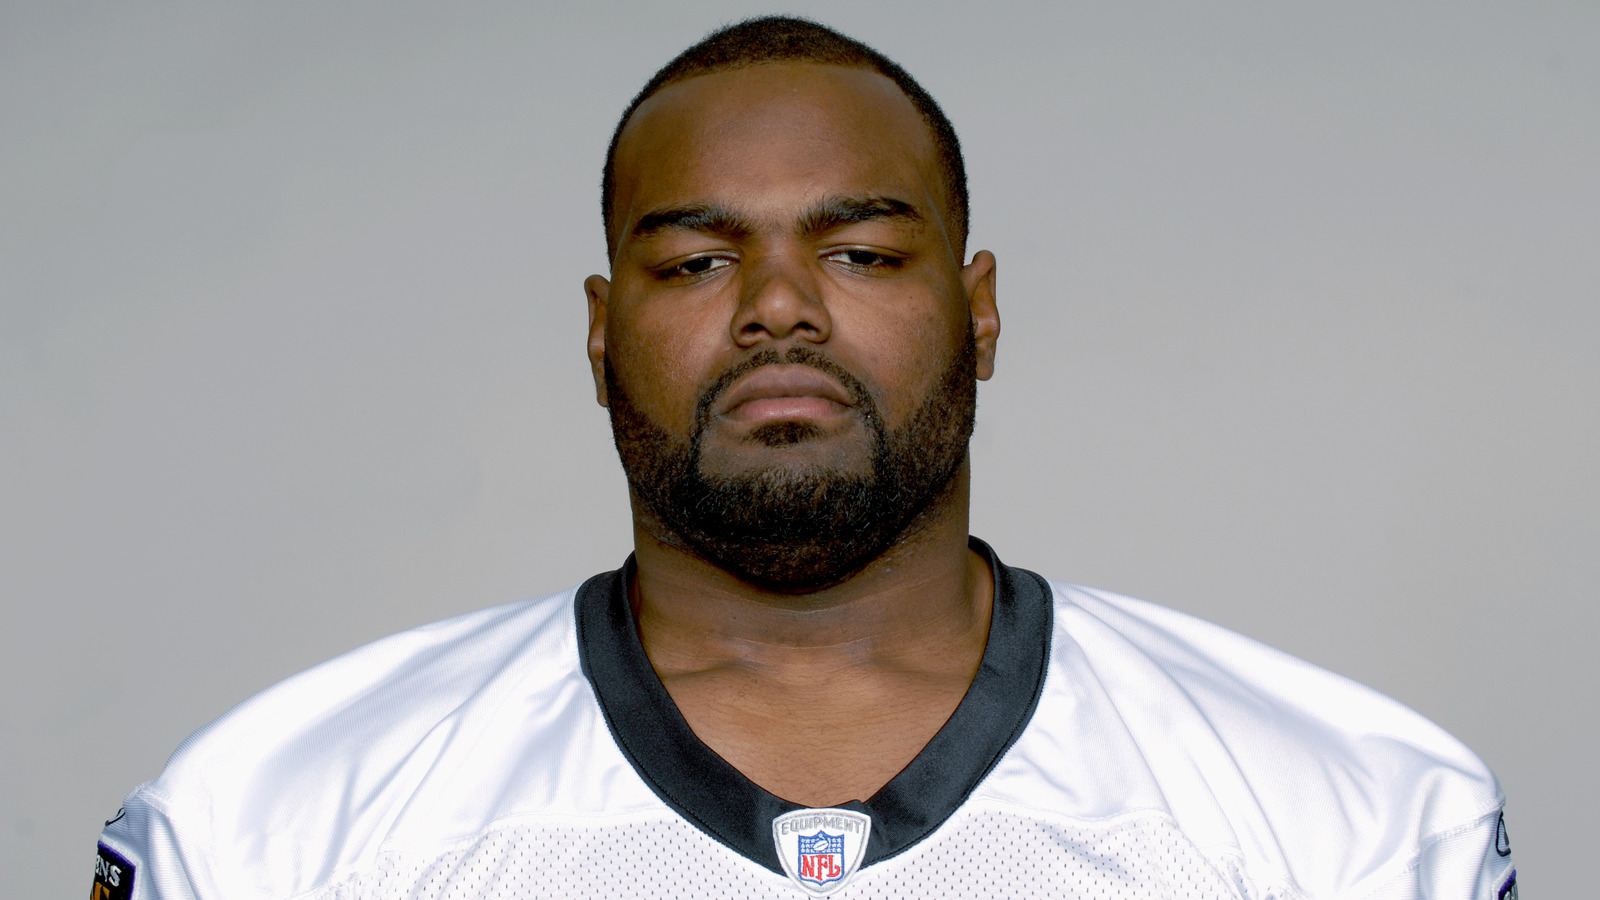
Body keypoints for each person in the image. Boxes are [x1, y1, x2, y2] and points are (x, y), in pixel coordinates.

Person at [92, 16, 1516, 900]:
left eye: (861, 250)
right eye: (702, 257)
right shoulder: (276, 821)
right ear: (601, 334)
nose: (780, 305)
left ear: (980, 310)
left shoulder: (1356, 814)